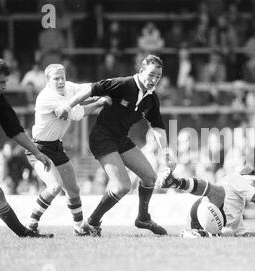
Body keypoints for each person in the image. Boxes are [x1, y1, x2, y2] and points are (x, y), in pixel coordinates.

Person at [55, 55, 172, 236]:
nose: (154, 79)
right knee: (122, 186)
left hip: (121, 139)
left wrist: (165, 152)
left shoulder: (152, 98)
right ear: (141, 72)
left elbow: (157, 126)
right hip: (102, 137)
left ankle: (143, 218)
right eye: (151, 75)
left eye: (158, 76)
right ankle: (91, 223)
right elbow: (91, 89)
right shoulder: (123, 84)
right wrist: (67, 106)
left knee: (150, 177)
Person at [25, 64, 112, 236]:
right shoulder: (47, 97)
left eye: (62, 77)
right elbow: (76, 114)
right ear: (47, 81)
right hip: (38, 149)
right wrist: (100, 102)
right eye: (56, 78)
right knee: (54, 187)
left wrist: (110, 86)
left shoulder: (68, 87)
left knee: (73, 190)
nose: (60, 81)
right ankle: (30, 226)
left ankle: (79, 227)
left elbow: (89, 88)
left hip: (56, 146)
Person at [0, 57, 53, 238]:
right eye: (0, 82)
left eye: (5, 82)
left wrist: (37, 153)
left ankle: (25, 234)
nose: (4, 87)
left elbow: (14, 129)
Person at [160, 166, 255, 237]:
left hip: (208, 219)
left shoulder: (239, 206)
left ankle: (197, 234)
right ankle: (176, 182)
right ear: (245, 177)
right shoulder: (236, 178)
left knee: (230, 232)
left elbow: (242, 235)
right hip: (203, 210)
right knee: (219, 192)